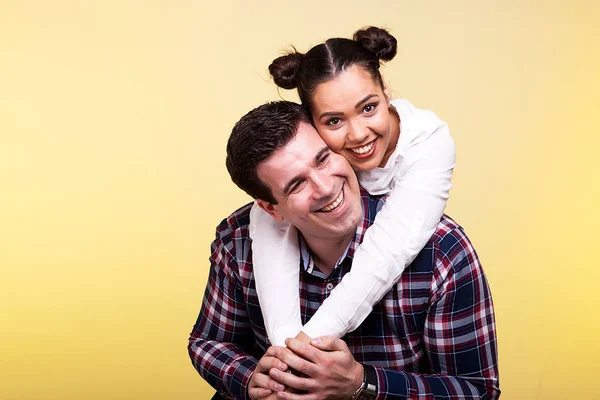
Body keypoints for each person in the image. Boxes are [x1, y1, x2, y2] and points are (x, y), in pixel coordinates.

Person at [188, 101, 499, 399]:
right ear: (271, 209)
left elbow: (477, 390)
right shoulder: (239, 241)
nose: (325, 188)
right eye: (297, 184)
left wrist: (361, 384)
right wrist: (249, 378)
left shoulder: (441, 252)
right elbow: (208, 342)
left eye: (323, 159)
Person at [249, 26, 457, 348]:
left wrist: (305, 346)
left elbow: (386, 253)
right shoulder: (311, 148)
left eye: (369, 108)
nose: (358, 134)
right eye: (334, 120)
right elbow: (269, 214)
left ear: (386, 90)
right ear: (311, 120)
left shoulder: (428, 144)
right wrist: (283, 343)